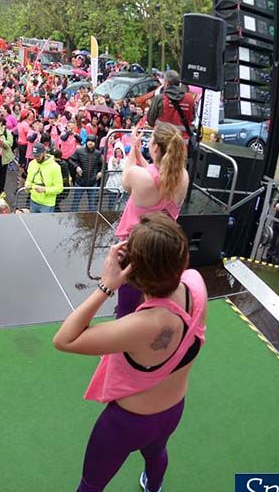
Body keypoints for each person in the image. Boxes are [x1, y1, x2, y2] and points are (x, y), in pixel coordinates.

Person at [36, 214, 207, 492]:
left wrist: (105, 286)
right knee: (157, 451)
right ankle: (153, 490)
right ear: (181, 257)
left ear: (134, 273)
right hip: (173, 409)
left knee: (93, 482)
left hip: (127, 423)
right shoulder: (196, 284)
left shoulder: (141, 326)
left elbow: (64, 339)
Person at [115, 122, 189, 318]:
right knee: (155, 295)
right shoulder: (183, 177)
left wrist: (133, 149)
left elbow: (126, 178)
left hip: (136, 246)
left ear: (155, 147)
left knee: (127, 302)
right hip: (163, 245)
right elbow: (162, 177)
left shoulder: (141, 178)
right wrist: (142, 158)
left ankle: (121, 342)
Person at [146, 71, 195, 139]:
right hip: (182, 144)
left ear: (166, 82)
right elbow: (192, 118)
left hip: (162, 141)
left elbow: (150, 121)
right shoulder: (190, 99)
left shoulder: (160, 98)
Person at [25, 143, 63, 213]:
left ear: (44, 153)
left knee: (44, 223)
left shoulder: (55, 167)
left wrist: (45, 190)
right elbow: (29, 180)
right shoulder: (32, 164)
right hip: (33, 200)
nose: (36, 158)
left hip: (47, 204)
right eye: (34, 156)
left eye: (38, 155)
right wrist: (27, 185)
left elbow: (59, 188)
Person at [68, 138, 103, 213]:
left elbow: (103, 165)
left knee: (92, 206)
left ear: (95, 143)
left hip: (93, 183)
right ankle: (71, 220)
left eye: (93, 141)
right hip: (80, 182)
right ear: (86, 142)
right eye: (89, 141)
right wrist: (76, 167)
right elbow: (70, 160)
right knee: (75, 203)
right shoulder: (79, 151)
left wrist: (101, 172)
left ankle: (91, 222)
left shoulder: (98, 153)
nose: (90, 143)